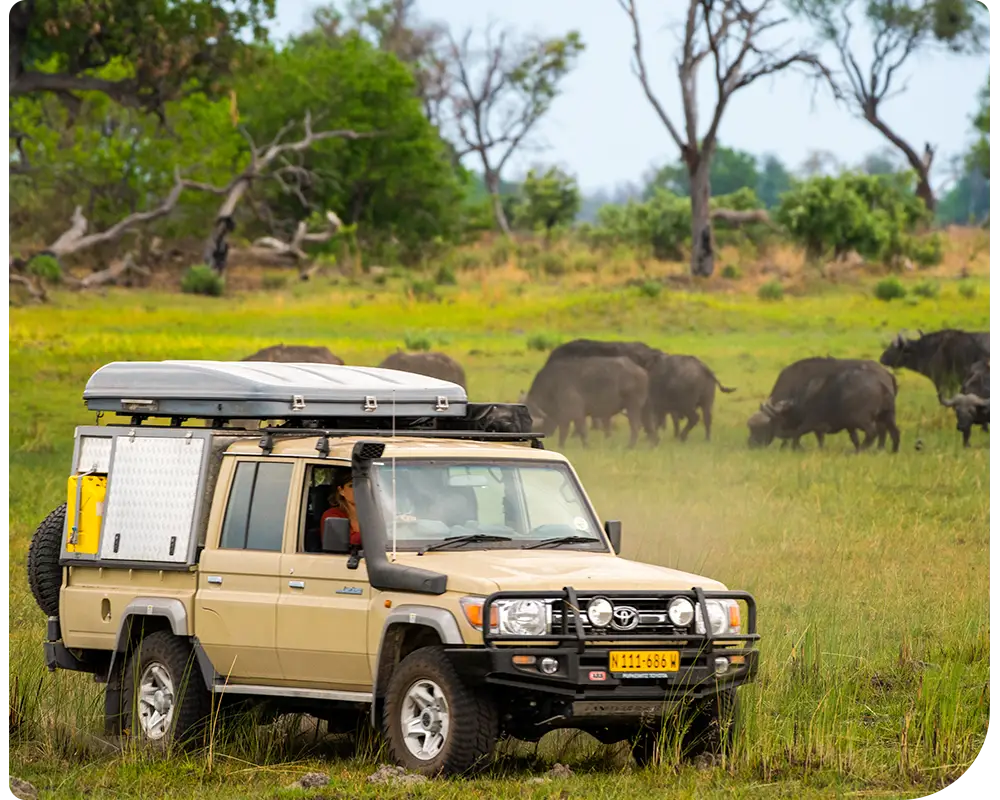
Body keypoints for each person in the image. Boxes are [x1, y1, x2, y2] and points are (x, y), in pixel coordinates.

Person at [320, 470, 362, 550]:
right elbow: (342, 542)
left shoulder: (378, 514)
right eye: (352, 485)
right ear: (341, 490)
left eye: (363, 485)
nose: (358, 489)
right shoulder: (332, 515)